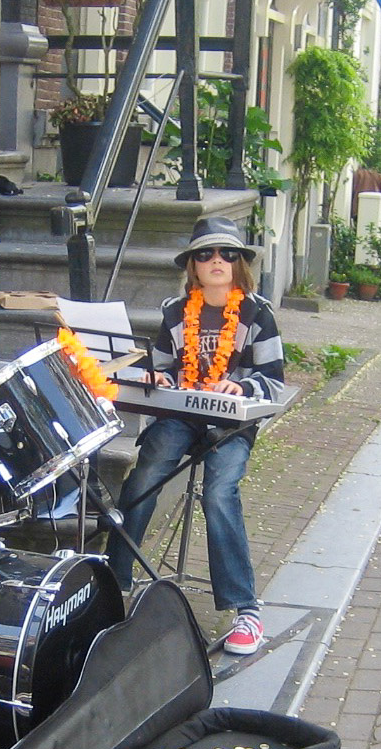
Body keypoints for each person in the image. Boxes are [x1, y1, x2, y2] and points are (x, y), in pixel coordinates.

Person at [105, 217, 284, 656]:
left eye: (227, 253)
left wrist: (241, 385)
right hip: (181, 416)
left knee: (220, 492)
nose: (217, 261)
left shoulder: (258, 313)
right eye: (205, 254)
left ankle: (245, 610)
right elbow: (165, 369)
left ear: (240, 262)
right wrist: (158, 378)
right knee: (145, 475)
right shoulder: (173, 312)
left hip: (232, 422)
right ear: (193, 267)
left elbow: (274, 381)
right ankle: (113, 581)